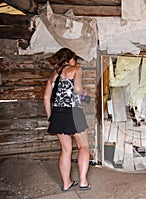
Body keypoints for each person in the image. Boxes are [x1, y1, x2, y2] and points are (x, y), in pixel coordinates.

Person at [43, 48, 91, 191]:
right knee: (83, 146)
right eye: (74, 59)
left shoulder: (54, 75)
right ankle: (83, 182)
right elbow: (78, 90)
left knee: (65, 150)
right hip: (74, 113)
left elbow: (46, 98)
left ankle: (66, 183)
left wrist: (50, 117)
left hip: (58, 114)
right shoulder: (76, 69)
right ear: (71, 59)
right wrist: (85, 95)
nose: (75, 62)